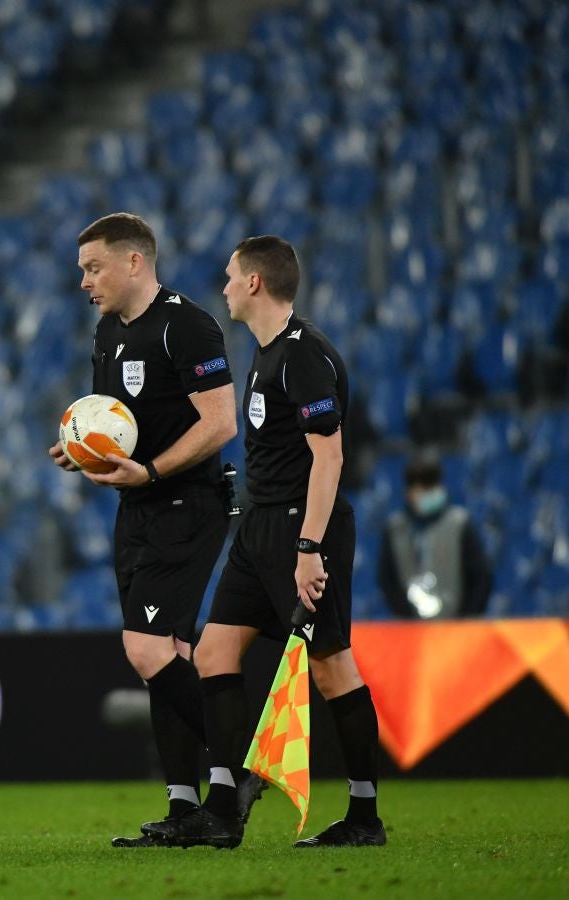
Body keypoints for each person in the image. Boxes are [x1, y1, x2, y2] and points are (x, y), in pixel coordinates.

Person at [146, 235, 386, 848]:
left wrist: (309, 549)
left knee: (333, 670)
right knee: (213, 653)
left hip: (306, 527)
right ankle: (223, 810)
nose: (223, 287)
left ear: (254, 283)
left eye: (230, 276)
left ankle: (364, 817)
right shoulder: (267, 352)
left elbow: (328, 459)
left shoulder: (305, 355)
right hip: (258, 528)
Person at [47, 213, 241, 847]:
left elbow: (220, 424)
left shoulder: (188, 326)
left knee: (146, 648)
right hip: (137, 505)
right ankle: (191, 809)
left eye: (93, 267)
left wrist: (151, 470)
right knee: (169, 655)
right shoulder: (108, 332)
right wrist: (81, 450)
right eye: (81, 270)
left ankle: (241, 769)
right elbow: (116, 421)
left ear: (135, 262)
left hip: (187, 503)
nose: (84, 281)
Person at [377, 450, 492, 618]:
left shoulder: (460, 524)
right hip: (412, 633)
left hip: (457, 631)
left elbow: (481, 578)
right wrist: (406, 618)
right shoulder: (395, 529)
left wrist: (466, 621)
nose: (428, 493)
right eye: (422, 488)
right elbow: (387, 580)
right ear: (408, 493)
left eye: (432, 486)